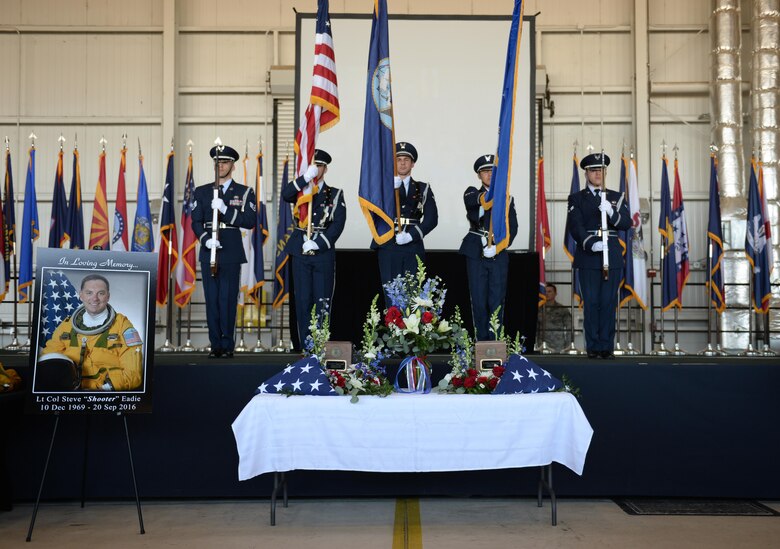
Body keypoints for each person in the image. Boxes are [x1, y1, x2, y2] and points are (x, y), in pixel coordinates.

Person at [192, 144, 257, 358]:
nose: (221, 166)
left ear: (233, 165)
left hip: (230, 249)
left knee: (227, 299)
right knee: (211, 299)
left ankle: (227, 345)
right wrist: (205, 239)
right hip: (209, 248)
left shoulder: (244, 192)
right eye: (218, 162)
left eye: (225, 162)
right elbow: (196, 221)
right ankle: (215, 345)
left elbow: (249, 221)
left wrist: (225, 210)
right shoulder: (202, 191)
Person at [565, 153, 630, 358]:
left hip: (611, 254)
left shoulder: (616, 197)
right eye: (593, 170)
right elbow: (576, 227)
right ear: (586, 173)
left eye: (600, 170)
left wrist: (611, 212)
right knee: (592, 303)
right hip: (589, 255)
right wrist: (591, 244)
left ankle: (606, 346)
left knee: (608, 302)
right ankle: (593, 346)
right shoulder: (577, 198)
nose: (597, 174)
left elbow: (626, 224)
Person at [281, 149, 346, 345]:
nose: (316, 169)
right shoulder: (301, 191)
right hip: (300, 249)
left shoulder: (334, 194)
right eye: (313, 165)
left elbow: (338, 224)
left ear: (325, 169)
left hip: (322, 252)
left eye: (319, 166)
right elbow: (286, 194)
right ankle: (305, 348)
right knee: (302, 301)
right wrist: (303, 179)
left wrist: (318, 243)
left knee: (322, 300)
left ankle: (321, 346)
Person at [40, 274, 143, 391]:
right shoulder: (67, 325)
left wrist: (104, 390)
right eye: (89, 293)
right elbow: (47, 361)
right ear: (81, 295)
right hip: (71, 394)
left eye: (101, 293)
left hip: (107, 396)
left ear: (108, 296)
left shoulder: (122, 325)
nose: (95, 298)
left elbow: (133, 373)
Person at [459, 154, 517, 341]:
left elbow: (512, 229)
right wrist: (493, 196)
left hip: (497, 254)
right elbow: (473, 203)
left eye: (493, 171)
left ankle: (495, 343)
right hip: (476, 251)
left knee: (496, 300)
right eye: (485, 171)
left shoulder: (507, 198)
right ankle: (480, 343)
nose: (490, 174)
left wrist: (498, 247)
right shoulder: (471, 193)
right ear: (479, 176)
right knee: (478, 300)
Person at [371, 141, 438, 287]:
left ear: (412, 164)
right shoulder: (382, 187)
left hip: (413, 244)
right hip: (388, 243)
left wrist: (411, 236)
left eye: (406, 160)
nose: (402, 164)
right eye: (398, 160)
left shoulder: (423, 188)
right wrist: (389, 189)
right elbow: (373, 212)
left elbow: (432, 219)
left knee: (412, 291)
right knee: (391, 292)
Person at [536, 283, 573, 352]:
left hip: (558, 346)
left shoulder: (562, 309)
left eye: (549, 291)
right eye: (545, 292)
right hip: (542, 346)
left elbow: (569, 328)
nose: (547, 294)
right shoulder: (538, 309)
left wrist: (568, 346)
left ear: (555, 293)